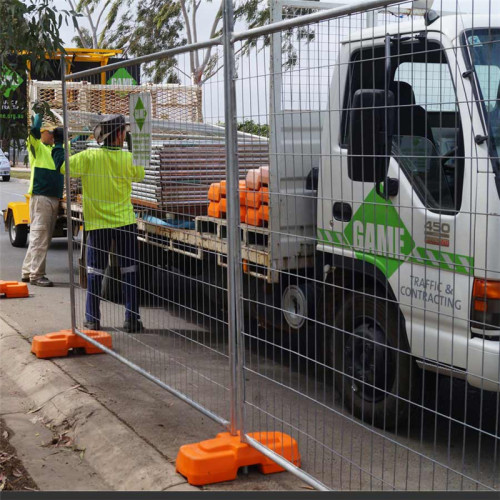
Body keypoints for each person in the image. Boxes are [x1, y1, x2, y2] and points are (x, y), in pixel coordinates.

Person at [53, 115, 145, 333]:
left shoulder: (89, 156)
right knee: (129, 271)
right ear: (121, 135)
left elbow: (62, 166)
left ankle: (92, 319)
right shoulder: (128, 159)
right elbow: (140, 175)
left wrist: (59, 142)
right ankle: (132, 319)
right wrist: (133, 148)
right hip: (125, 222)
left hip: (98, 225)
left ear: (103, 136)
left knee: (95, 273)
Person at [21, 114, 64, 287]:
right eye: (49, 132)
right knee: (40, 236)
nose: (52, 135)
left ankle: (27, 271)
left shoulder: (56, 149)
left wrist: (83, 132)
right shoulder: (36, 148)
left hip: (51, 198)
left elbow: (74, 141)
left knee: (40, 237)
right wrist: (38, 114)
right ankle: (36, 275)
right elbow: (33, 131)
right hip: (42, 198)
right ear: (42, 133)